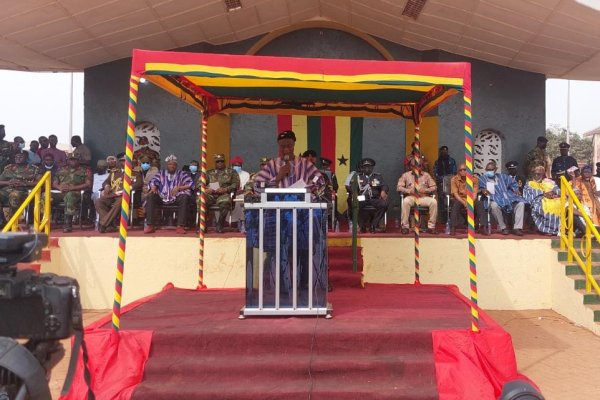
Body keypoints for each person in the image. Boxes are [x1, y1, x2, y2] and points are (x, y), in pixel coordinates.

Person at [254, 130, 325, 194]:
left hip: (301, 207)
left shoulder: (305, 164)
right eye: (282, 146)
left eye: (289, 146)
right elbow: (258, 187)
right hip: (277, 207)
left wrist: (304, 192)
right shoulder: (271, 165)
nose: (286, 149)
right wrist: (277, 178)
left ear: (294, 145)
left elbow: (320, 182)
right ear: (279, 146)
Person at [144, 154, 193, 234]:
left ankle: (180, 226)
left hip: (176, 197)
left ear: (176, 165)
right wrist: (154, 186)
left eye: (174, 164)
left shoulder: (182, 173)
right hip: (162, 197)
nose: (172, 166)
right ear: (167, 165)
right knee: (151, 196)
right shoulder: (161, 173)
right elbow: (153, 181)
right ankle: (150, 225)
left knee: (184, 197)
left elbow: (190, 183)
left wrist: (179, 188)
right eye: (170, 164)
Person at [95, 155, 142, 233]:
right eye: (123, 161)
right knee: (99, 201)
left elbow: (139, 183)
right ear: (120, 162)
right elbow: (106, 182)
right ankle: (109, 225)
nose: (124, 162)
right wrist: (106, 186)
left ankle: (103, 224)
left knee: (120, 202)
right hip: (112, 195)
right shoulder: (114, 173)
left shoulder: (136, 174)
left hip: (125, 196)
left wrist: (128, 188)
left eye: (126, 161)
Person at [477, 161, 526, 236]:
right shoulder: (482, 178)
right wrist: (484, 190)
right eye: (487, 170)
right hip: (493, 198)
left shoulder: (502, 176)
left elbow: (513, 183)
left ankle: (517, 228)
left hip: (506, 198)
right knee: (494, 205)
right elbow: (481, 188)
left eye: (491, 170)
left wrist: (515, 190)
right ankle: (503, 227)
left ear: (495, 169)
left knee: (520, 203)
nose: (489, 171)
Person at [52, 153, 92, 232]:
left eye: (75, 159)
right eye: (71, 159)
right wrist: (59, 187)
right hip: (61, 192)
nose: (73, 161)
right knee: (44, 195)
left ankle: (68, 224)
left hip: (77, 193)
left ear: (78, 160)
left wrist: (72, 188)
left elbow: (88, 184)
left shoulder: (85, 170)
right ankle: (43, 221)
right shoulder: (61, 169)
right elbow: (54, 183)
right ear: (67, 160)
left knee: (70, 195)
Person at [397, 158, 437, 234]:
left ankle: (431, 227)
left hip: (424, 197)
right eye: (414, 166)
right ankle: (405, 227)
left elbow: (434, 187)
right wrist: (409, 191)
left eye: (419, 166)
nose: (417, 167)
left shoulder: (426, 175)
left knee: (434, 202)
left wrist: (426, 190)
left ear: (422, 166)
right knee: (405, 201)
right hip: (411, 197)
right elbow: (399, 187)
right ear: (411, 167)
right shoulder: (406, 175)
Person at [0, 151, 39, 228]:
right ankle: (2, 221)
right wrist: (8, 182)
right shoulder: (8, 168)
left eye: (20, 157)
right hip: (7, 190)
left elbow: (38, 182)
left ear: (26, 158)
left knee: (14, 195)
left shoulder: (34, 169)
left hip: (24, 191)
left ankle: (12, 223)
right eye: (16, 157)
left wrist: (23, 183)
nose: (18, 158)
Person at [202, 153, 240, 233]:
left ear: (224, 162)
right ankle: (203, 225)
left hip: (223, 194)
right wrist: (205, 189)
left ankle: (220, 224)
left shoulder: (231, 172)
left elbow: (236, 184)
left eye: (221, 161)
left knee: (225, 202)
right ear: (215, 163)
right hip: (210, 194)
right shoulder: (209, 173)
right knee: (201, 200)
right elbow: (199, 183)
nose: (220, 163)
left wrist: (226, 189)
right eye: (218, 161)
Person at [523, 166, 561, 236]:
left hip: (552, 199)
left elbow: (558, 191)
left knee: (560, 204)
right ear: (533, 174)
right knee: (541, 206)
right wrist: (543, 194)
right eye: (535, 174)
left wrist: (554, 194)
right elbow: (528, 195)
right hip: (538, 200)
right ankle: (547, 229)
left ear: (543, 174)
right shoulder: (529, 183)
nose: (537, 176)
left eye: (539, 174)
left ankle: (558, 229)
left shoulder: (549, 182)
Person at [355, 158, 389, 233]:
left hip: (374, 198)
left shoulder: (377, 176)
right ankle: (362, 226)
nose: (367, 169)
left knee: (384, 204)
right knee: (356, 204)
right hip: (362, 197)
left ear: (372, 168)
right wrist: (354, 194)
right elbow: (353, 188)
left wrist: (383, 191)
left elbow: (385, 185)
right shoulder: (358, 177)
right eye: (365, 167)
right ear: (362, 168)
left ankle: (373, 225)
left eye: (369, 167)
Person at [449, 163, 479, 235]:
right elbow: (455, 194)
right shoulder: (454, 179)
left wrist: (470, 202)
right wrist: (464, 203)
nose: (462, 171)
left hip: (471, 199)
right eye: (460, 170)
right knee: (455, 204)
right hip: (460, 198)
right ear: (458, 172)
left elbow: (474, 193)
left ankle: (483, 226)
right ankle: (453, 227)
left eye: (464, 170)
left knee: (479, 204)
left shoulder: (474, 179)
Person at [229, 156, 250, 230]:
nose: (237, 167)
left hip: (241, 193)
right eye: (235, 165)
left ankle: (242, 221)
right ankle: (232, 221)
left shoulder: (246, 174)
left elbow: (247, 187)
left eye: (239, 165)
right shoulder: (228, 174)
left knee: (243, 199)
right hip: (230, 193)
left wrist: (241, 191)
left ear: (241, 166)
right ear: (231, 166)